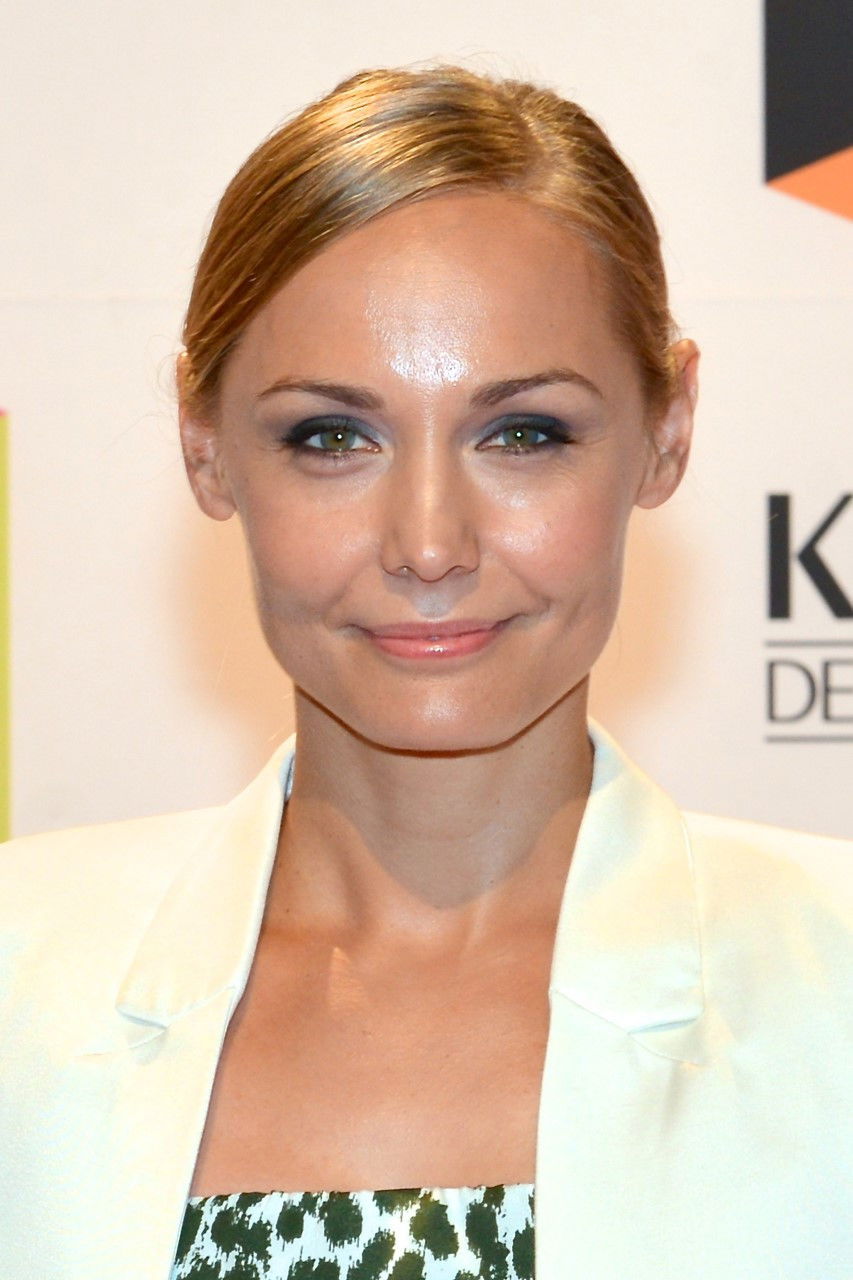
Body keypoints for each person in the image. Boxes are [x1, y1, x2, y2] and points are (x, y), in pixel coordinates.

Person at [1, 65, 851, 1280]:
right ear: (205, 443)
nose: (430, 542)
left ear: (667, 428)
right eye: (332, 436)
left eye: (524, 433)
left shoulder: (833, 983)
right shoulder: (18, 976)